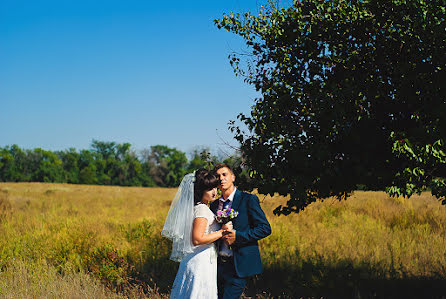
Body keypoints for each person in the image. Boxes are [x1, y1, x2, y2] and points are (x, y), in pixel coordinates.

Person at [161, 169, 232, 299]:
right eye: (209, 189)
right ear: (200, 191)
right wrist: (222, 232)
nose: (214, 192)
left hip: (197, 257)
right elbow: (197, 239)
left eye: (215, 188)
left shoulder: (198, 207)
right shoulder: (202, 210)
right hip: (200, 259)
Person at [210, 163, 272, 299]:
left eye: (224, 174)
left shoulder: (248, 199)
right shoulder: (214, 205)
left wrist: (238, 236)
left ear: (233, 177)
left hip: (238, 264)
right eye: (217, 176)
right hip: (217, 265)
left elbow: (265, 228)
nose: (221, 178)